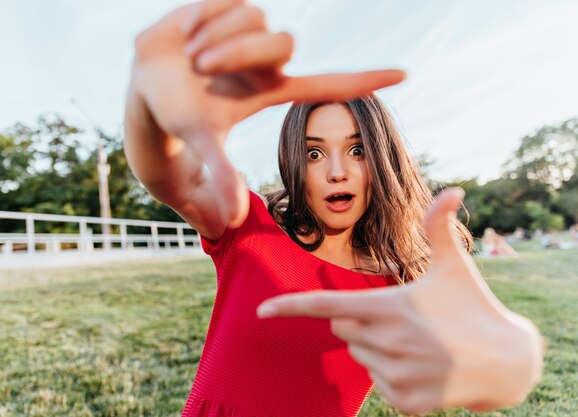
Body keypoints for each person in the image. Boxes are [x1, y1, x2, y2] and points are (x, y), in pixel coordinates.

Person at [124, 0, 543, 415]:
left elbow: (478, 360)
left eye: (357, 149)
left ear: (382, 157)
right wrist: (147, 100)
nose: (337, 172)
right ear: (293, 161)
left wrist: (518, 357)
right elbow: (176, 178)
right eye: (314, 154)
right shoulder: (250, 229)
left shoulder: (401, 276)